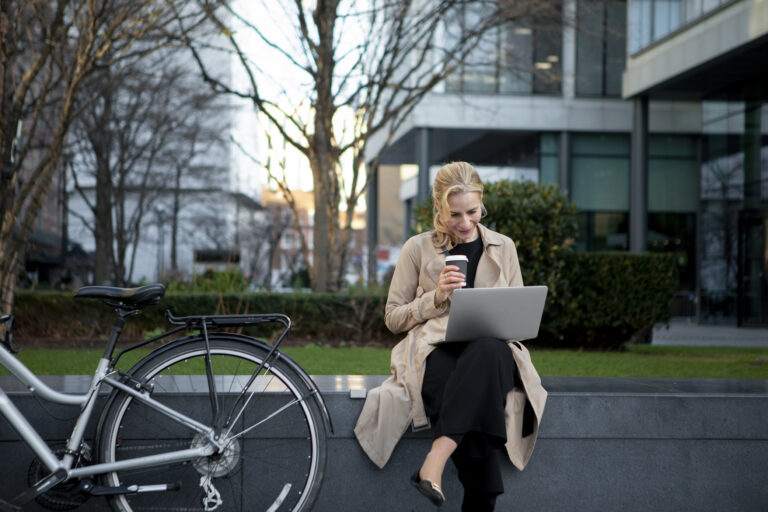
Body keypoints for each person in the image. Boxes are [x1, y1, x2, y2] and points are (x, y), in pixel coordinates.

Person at [354, 162, 547, 510]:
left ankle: (435, 461)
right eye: (454, 213)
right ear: (438, 207)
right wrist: (435, 298)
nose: (464, 222)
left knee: (488, 352)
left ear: (481, 203)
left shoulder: (504, 247)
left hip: (492, 354)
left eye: (472, 212)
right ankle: (473, 488)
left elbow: (518, 314)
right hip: (436, 352)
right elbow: (393, 318)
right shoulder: (418, 248)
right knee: (484, 484)